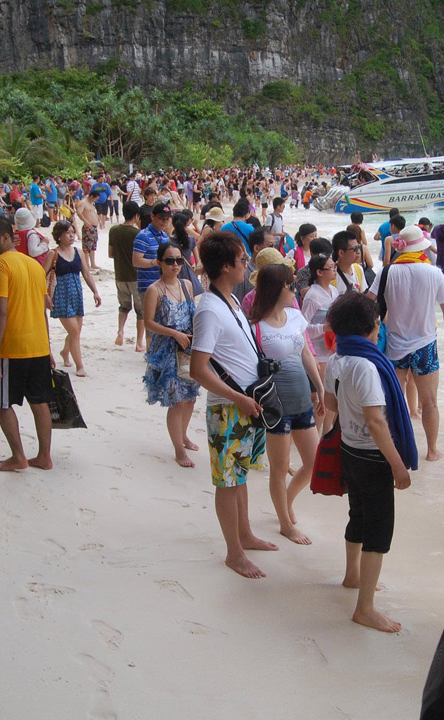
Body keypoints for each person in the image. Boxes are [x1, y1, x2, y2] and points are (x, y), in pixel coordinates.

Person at [323, 292, 417, 632]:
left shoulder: (337, 358)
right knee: (378, 531)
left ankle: (353, 576)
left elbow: (330, 404)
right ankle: (365, 609)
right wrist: (398, 465)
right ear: (371, 327)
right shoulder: (366, 365)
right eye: (378, 324)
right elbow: (377, 422)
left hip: (350, 449)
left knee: (358, 515)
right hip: (373, 457)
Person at [189, 231, 279, 579]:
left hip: (245, 404)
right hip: (228, 408)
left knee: (238, 475)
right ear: (226, 266)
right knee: (227, 481)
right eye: (242, 260)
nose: (247, 264)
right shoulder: (209, 309)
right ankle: (234, 553)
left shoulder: (230, 301)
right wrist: (238, 397)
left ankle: (245, 535)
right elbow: (198, 369)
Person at [248, 263, 325, 545]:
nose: (295, 289)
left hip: (302, 399)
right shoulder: (255, 327)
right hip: (275, 407)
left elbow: (306, 353)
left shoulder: (295, 316)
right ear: (274, 289)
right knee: (279, 468)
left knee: (313, 462)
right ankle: (284, 523)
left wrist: (319, 388)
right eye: (289, 285)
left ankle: (288, 500)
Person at [367, 229, 444, 461]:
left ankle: (394, 450)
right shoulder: (434, 272)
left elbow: (368, 303)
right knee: (430, 402)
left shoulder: (387, 271)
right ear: (422, 247)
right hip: (425, 344)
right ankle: (432, 450)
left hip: (394, 345)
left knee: (392, 402)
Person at [0, 215, 54, 472]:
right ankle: (44, 456)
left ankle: (18, 456)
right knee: (39, 401)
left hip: (12, 347)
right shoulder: (34, 265)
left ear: (5, 237)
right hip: (38, 345)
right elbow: (42, 309)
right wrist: (48, 347)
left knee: (2, 403)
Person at [142, 242, 201, 468]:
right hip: (167, 351)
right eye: (170, 261)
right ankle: (178, 448)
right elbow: (149, 323)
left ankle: (183, 435)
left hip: (188, 349)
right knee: (176, 401)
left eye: (178, 260)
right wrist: (174, 333)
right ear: (160, 263)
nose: (175, 265)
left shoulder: (187, 284)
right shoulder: (154, 290)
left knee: (191, 396)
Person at [49, 220, 101, 376]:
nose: (72, 235)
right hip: (61, 296)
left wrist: (95, 292)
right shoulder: (53, 254)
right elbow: (41, 274)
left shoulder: (78, 252)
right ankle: (79, 366)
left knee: (76, 331)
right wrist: (45, 296)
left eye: (73, 232)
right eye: (68, 233)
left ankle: (65, 352)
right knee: (74, 331)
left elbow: (86, 274)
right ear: (59, 236)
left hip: (76, 294)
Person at [110, 201, 145, 352]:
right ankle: (139, 343)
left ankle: (120, 331)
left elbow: (110, 253)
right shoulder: (138, 234)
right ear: (136, 215)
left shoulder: (114, 230)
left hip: (120, 274)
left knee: (124, 306)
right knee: (141, 312)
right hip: (135, 276)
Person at [332, 230, 366, 295]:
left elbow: (362, 294)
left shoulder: (358, 269)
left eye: (358, 247)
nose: (358, 252)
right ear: (341, 253)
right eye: (355, 249)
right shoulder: (331, 276)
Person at [76, 188, 102, 271]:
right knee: (87, 247)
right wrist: (86, 222)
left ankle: (93, 264)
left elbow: (94, 213)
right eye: (95, 198)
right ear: (91, 196)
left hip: (93, 227)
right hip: (88, 227)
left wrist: (99, 220)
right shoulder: (83, 203)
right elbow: (79, 213)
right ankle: (87, 265)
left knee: (93, 246)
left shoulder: (91, 204)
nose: (95, 200)